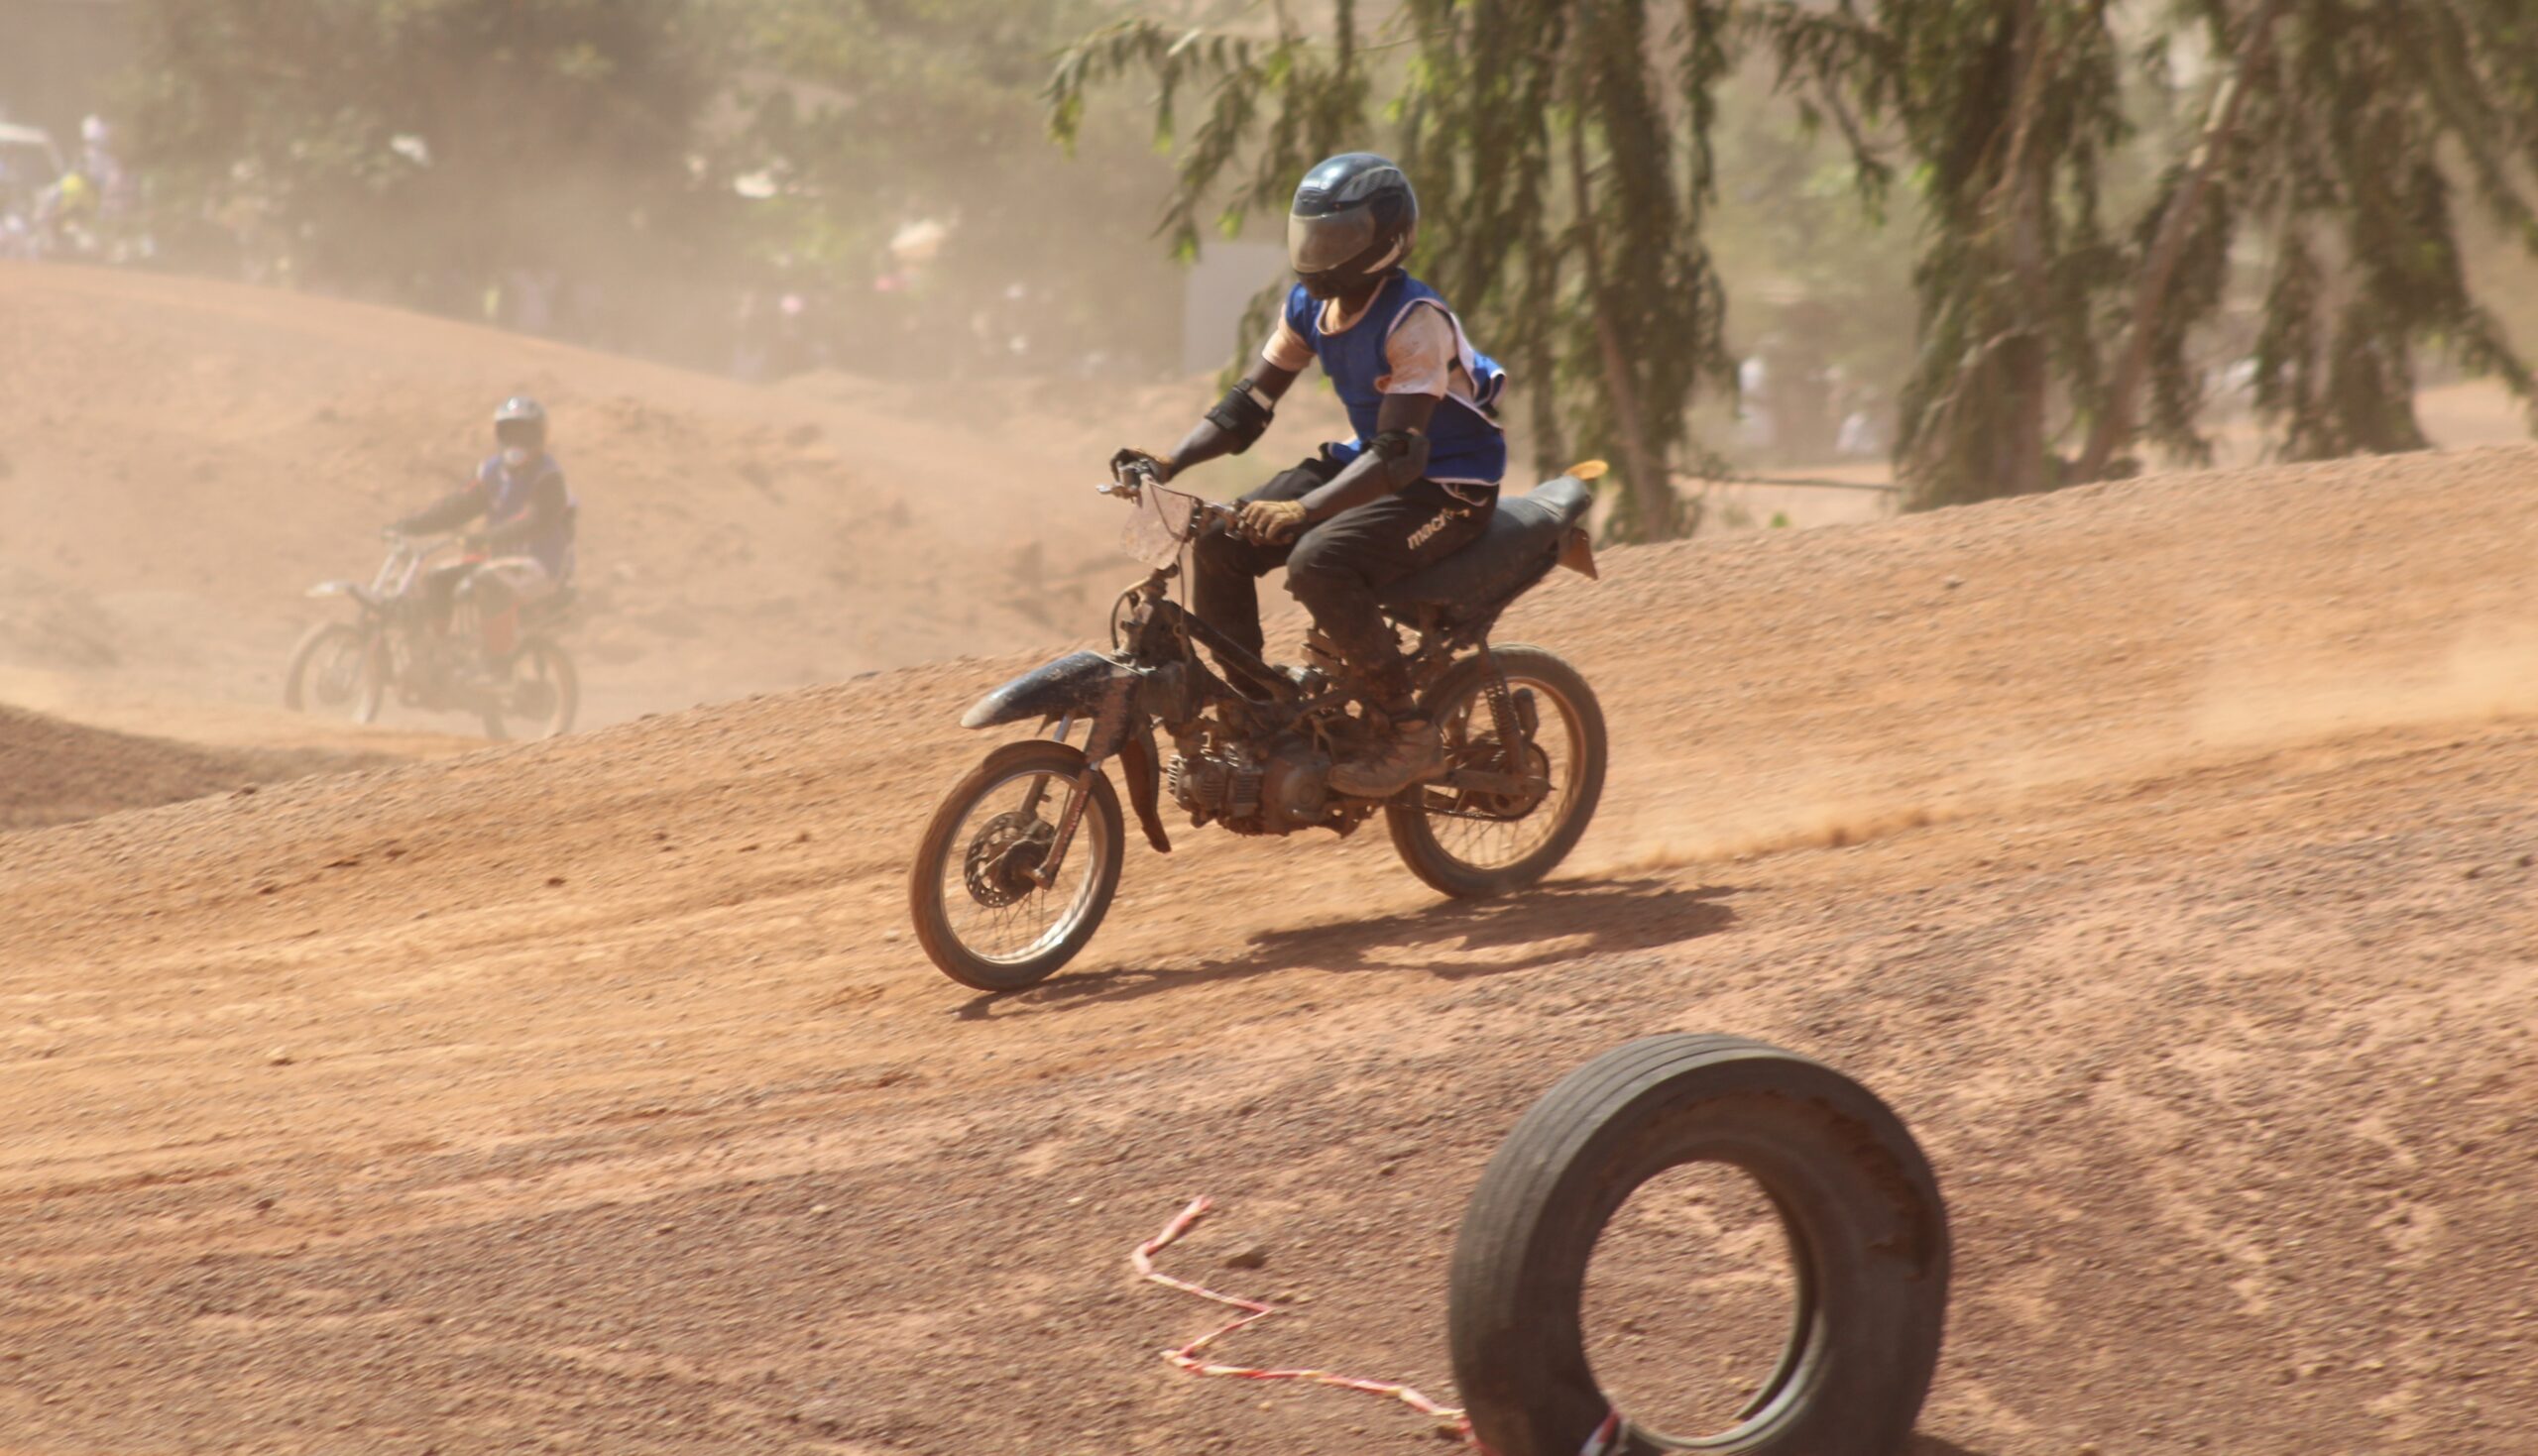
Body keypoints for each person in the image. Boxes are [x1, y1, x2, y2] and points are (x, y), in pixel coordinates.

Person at [1112, 152, 1509, 798]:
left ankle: (1409, 731)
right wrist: (1170, 461)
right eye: (1313, 236)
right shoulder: (1307, 306)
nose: (1319, 254)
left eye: (1338, 239)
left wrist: (1305, 511)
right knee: (1220, 542)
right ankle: (1260, 710)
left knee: (1317, 563)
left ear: (1385, 241)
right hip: (1370, 460)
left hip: (1445, 485)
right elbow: (1247, 408)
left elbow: (1401, 456)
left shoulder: (1414, 320)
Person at [393, 397, 578, 661]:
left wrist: (486, 538)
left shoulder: (549, 476)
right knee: (436, 578)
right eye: (510, 432)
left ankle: (497, 661)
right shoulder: (491, 472)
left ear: (539, 436)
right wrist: (411, 525)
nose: (516, 440)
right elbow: (457, 506)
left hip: (540, 566)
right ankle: (436, 654)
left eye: (525, 433)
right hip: (497, 562)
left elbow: (536, 519)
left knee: (488, 581)